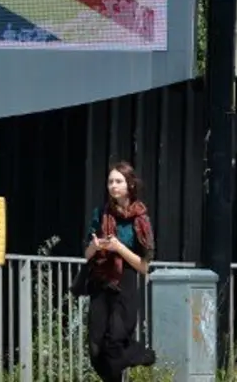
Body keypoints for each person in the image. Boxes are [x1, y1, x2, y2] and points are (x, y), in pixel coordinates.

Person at [82, 161, 158, 382]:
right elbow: (86, 254)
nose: (113, 186)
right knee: (96, 349)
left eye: (118, 181)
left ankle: (140, 354)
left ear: (130, 185)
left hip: (125, 282)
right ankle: (132, 357)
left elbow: (144, 266)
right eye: (110, 181)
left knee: (114, 342)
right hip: (101, 280)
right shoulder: (101, 213)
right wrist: (95, 247)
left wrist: (119, 248)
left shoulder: (140, 220)